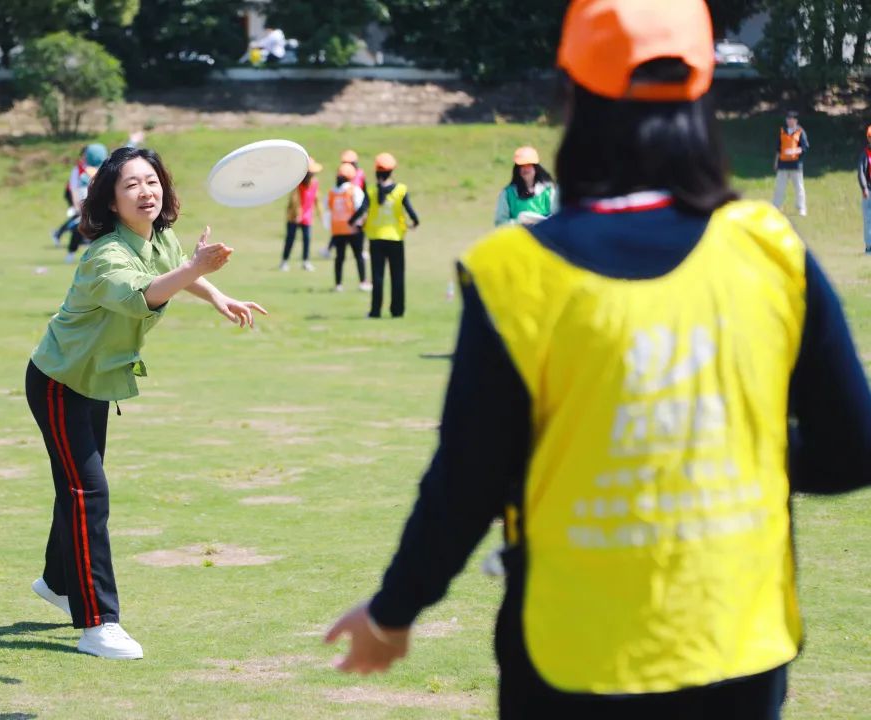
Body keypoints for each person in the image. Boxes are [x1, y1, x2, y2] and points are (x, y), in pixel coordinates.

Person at [324, 1, 871, 717]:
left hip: (570, 656)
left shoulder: (516, 272)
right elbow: (853, 448)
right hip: (738, 644)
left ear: (572, 95)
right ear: (703, 92)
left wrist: (394, 614)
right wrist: (723, 452)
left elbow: (468, 479)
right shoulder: (769, 248)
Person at [25, 145, 267, 659]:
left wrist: (218, 295)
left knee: (78, 488)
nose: (145, 191)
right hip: (60, 383)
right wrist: (196, 268)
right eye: (131, 184)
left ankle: (57, 582)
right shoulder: (104, 255)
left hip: (97, 381)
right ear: (111, 201)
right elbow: (144, 294)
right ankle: (98, 623)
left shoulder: (158, 237)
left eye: (151, 181)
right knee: (88, 492)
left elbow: (175, 266)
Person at [354, 152, 419, 318]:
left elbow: (362, 210)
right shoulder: (401, 190)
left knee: (378, 277)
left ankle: (375, 311)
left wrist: (352, 222)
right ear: (392, 171)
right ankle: (397, 311)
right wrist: (415, 223)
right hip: (396, 238)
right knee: (397, 276)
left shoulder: (370, 191)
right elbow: (411, 212)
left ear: (376, 171)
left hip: (376, 238)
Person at [326, 162, 368, 292]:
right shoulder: (354, 189)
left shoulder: (332, 191)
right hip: (353, 228)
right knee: (358, 256)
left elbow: (329, 208)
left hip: (337, 229)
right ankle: (362, 282)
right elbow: (360, 208)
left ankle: (338, 285)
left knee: (339, 258)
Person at [321, 150, 368, 260]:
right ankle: (329, 249)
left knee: (359, 228)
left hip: (356, 205)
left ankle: (360, 251)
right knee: (340, 230)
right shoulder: (342, 173)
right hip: (345, 206)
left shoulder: (360, 173)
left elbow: (364, 189)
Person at [64, 143, 107, 263]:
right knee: (82, 230)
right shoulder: (81, 170)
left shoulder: (102, 170)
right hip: (93, 210)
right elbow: (75, 189)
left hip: (93, 209)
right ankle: (72, 253)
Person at [494, 146, 557, 226]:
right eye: (522, 166)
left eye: (528, 165)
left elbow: (557, 218)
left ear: (536, 168)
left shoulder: (548, 191)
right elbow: (500, 223)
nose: (525, 169)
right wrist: (518, 223)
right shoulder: (507, 194)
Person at [280, 158, 323, 272]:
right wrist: (297, 214)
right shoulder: (297, 184)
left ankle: (306, 262)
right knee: (290, 239)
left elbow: (316, 199)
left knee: (307, 239)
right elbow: (294, 200)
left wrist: (320, 213)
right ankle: (284, 261)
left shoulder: (314, 183)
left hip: (307, 216)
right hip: (294, 217)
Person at [773, 110, 809, 217]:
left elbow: (805, 147)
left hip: (796, 165)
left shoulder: (800, 131)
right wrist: (776, 162)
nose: (789, 121)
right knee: (780, 187)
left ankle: (801, 207)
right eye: (788, 119)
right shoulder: (782, 131)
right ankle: (776, 206)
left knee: (799, 187)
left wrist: (795, 151)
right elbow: (778, 149)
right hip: (783, 164)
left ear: (795, 120)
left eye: (791, 119)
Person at [857, 125, 871, 254]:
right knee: (868, 220)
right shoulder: (865, 155)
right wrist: (864, 188)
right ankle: (869, 247)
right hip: (869, 191)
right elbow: (861, 172)